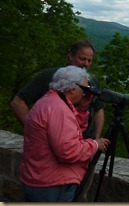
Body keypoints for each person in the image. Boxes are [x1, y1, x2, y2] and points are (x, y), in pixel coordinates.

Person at [19, 65, 110, 202]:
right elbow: (68, 151)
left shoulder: (50, 101)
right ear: (72, 89)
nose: (86, 93)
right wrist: (95, 144)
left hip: (41, 178)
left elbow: (69, 130)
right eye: (85, 89)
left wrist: (83, 108)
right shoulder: (58, 109)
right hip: (52, 184)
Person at [11, 39, 105, 139]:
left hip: (84, 142)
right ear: (71, 56)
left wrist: (97, 138)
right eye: (82, 59)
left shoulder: (92, 81)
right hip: (57, 143)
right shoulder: (49, 76)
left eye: (89, 61)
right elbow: (17, 102)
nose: (86, 64)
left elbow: (98, 110)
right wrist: (34, 131)